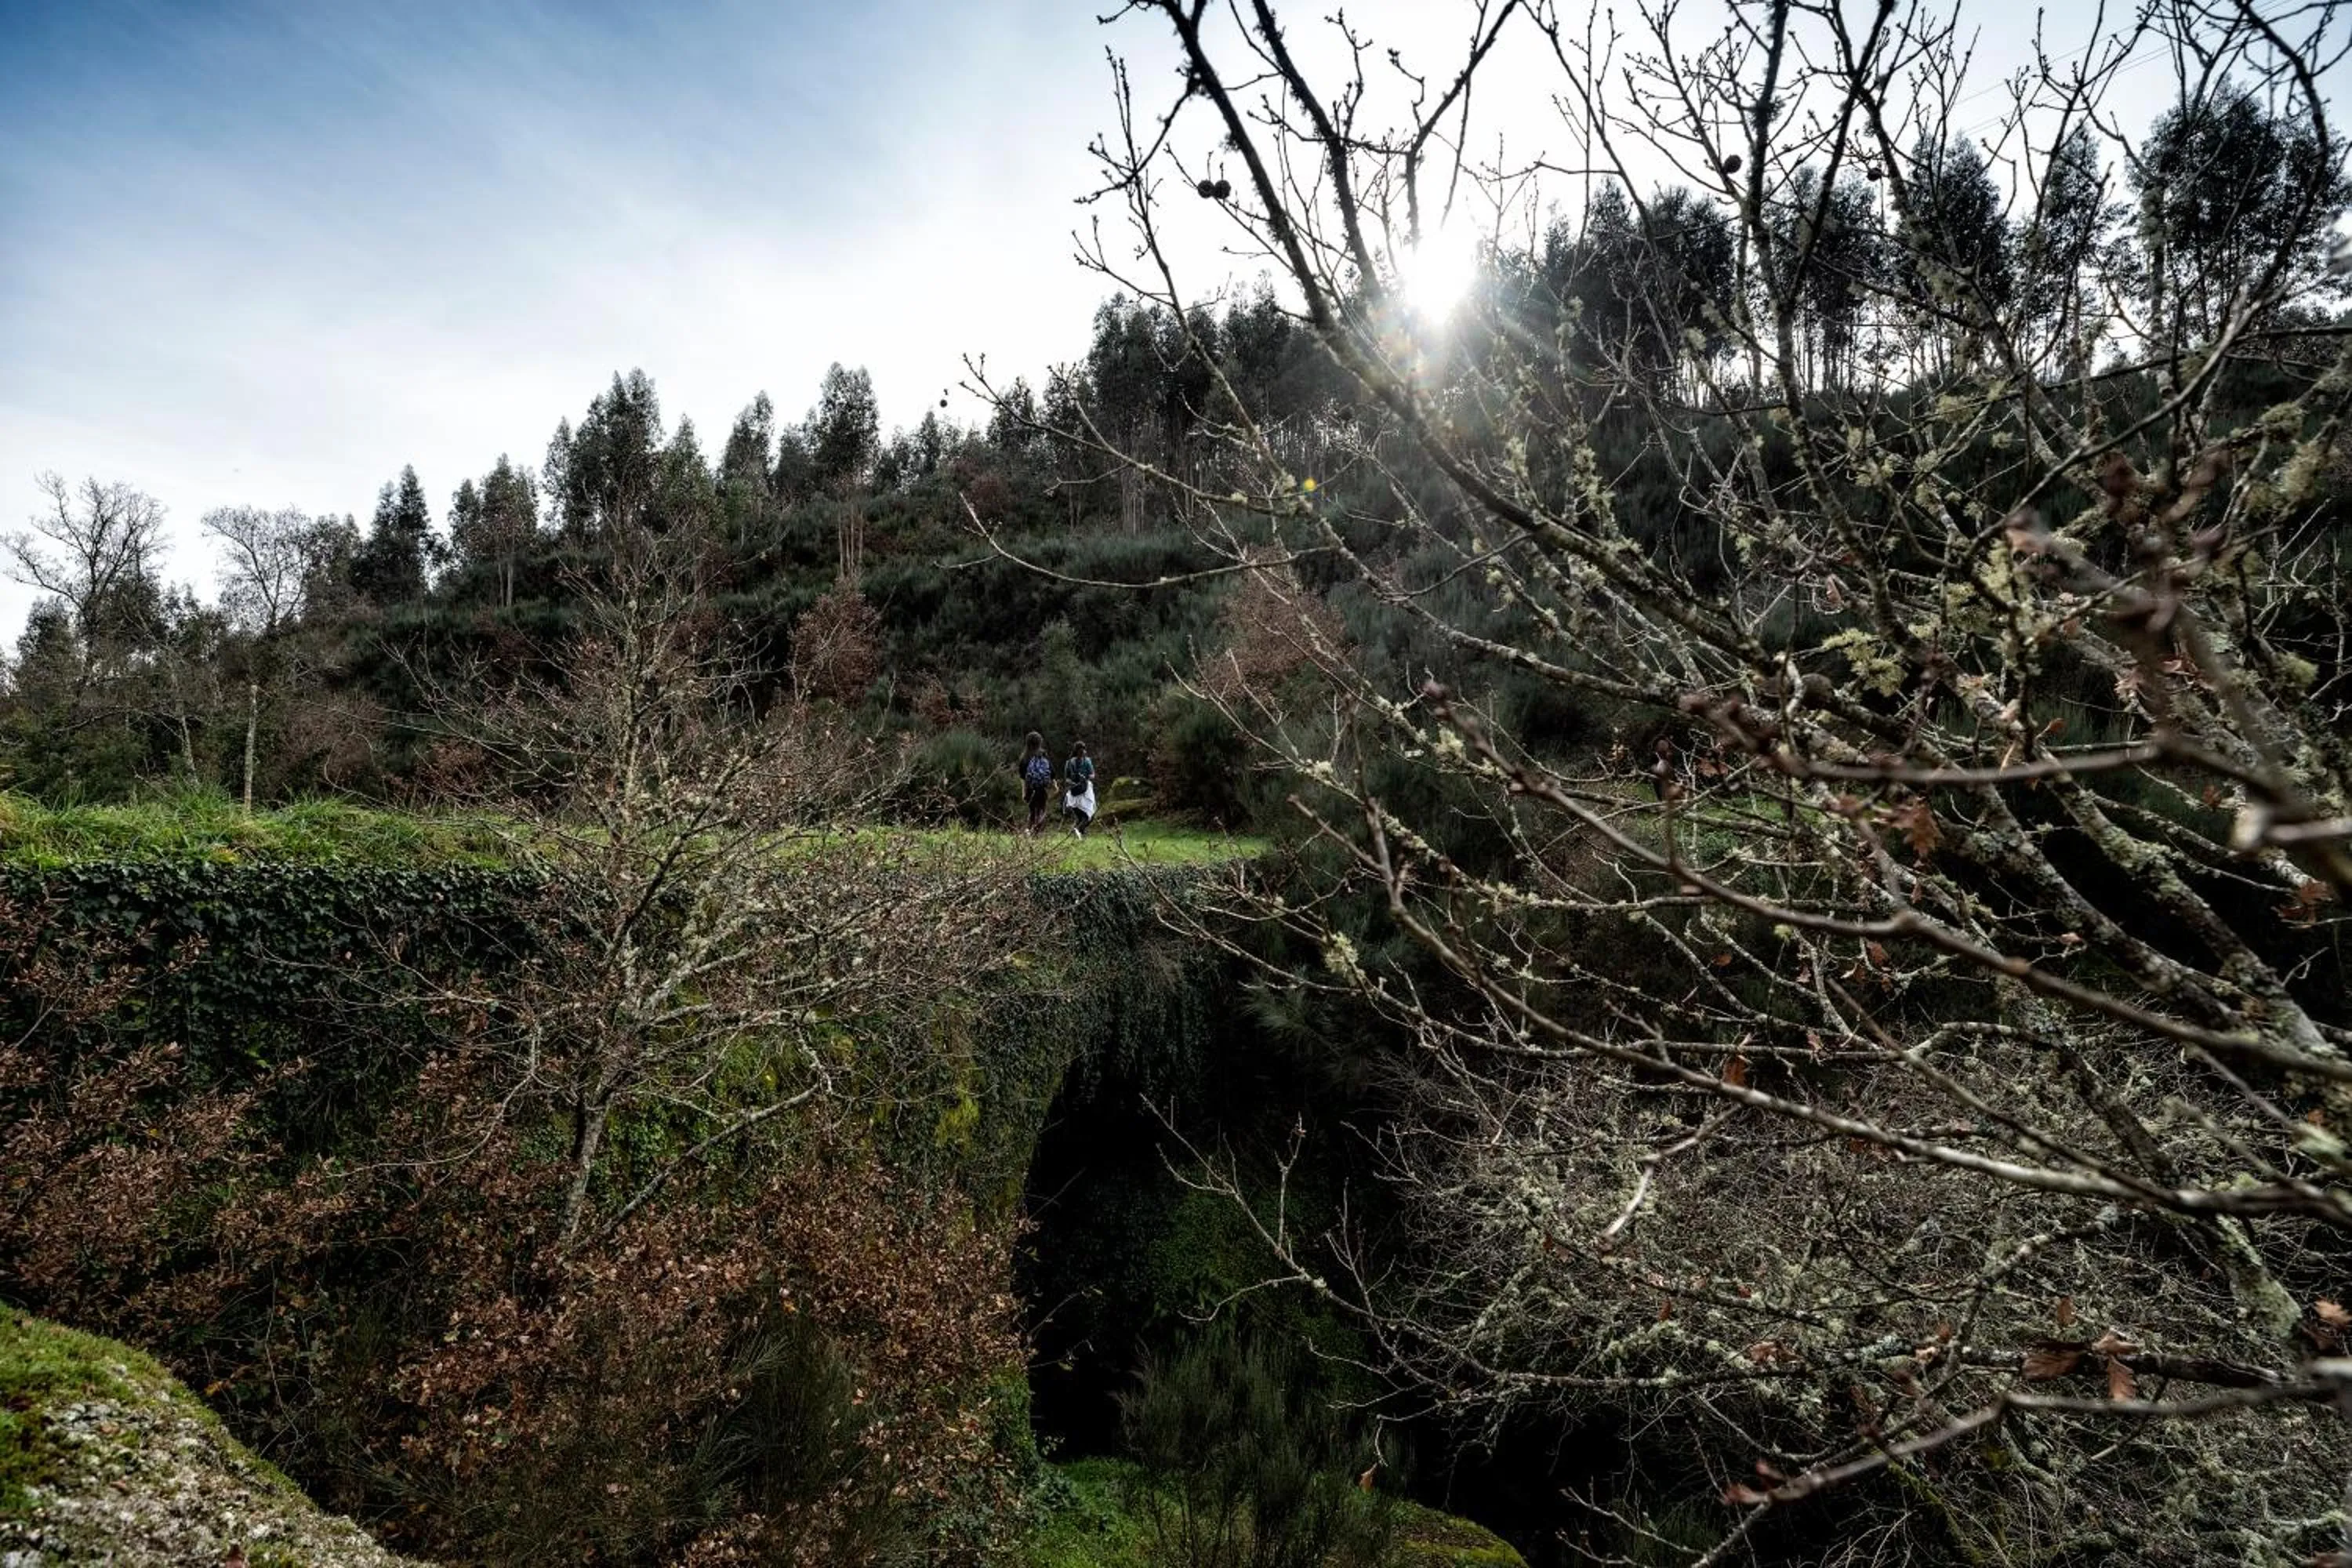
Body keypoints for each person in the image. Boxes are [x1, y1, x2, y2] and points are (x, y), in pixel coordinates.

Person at [1018, 731, 1054, 834]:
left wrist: (1024, 792)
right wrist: (1054, 785)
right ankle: (1036, 832)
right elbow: (1051, 771)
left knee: (1032, 811)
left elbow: (1023, 777)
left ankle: (1029, 831)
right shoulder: (1043, 755)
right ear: (1040, 742)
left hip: (1030, 788)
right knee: (1042, 810)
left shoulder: (1024, 758)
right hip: (1042, 788)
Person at [1062, 741, 1098, 837]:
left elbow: (1092, 775)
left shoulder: (1086, 761)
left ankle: (1077, 833)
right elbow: (1067, 778)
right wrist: (1074, 782)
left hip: (1082, 790)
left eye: (1084, 751)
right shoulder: (1070, 763)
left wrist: (1085, 778)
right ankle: (1078, 832)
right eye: (1081, 751)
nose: (1083, 753)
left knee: (1086, 815)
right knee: (1085, 816)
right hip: (1078, 791)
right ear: (1077, 751)